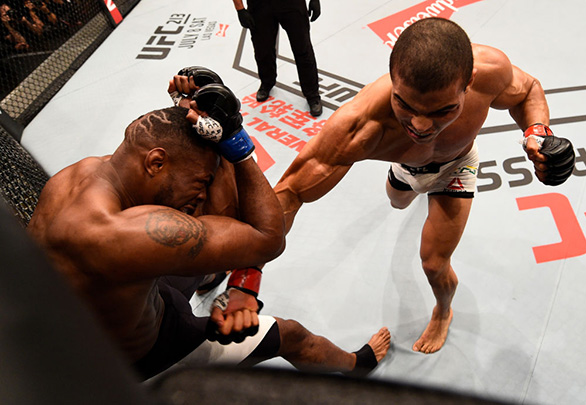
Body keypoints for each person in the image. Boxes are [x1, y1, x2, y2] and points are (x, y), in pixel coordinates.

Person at [28, 75, 390, 380]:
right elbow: (267, 238)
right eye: (199, 181)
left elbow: (173, 146)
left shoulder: (82, 174)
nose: (200, 193)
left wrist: (196, 109)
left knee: (202, 229)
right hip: (144, 355)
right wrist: (239, 147)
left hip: (119, 306)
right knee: (290, 335)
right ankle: (358, 365)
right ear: (156, 162)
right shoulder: (126, 235)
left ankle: (208, 277)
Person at [272, 18, 575, 354]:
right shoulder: (360, 124)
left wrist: (538, 133)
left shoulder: (489, 70)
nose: (420, 125)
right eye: (405, 105)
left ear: (468, 82)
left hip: (457, 166)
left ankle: (443, 311)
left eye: (444, 110)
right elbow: (290, 192)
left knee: (434, 263)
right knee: (397, 203)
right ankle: (408, 183)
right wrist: (247, 269)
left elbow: (528, 89)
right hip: (406, 167)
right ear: (392, 77)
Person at [232, 0, 323, 117]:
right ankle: (266, 82)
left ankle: (312, 94)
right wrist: (240, 9)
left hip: (292, 4)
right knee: (262, 49)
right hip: (260, 5)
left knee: (303, 49)